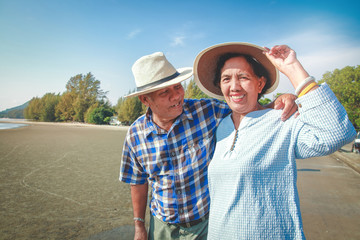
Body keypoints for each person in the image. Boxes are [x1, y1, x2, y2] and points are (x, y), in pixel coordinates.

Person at [119, 51, 298, 240]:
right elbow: (137, 182)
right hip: (161, 227)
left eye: (178, 87)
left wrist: (279, 102)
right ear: (145, 99)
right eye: (165, 92)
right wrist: (139, 226)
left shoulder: (207, 111)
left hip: (206, 225)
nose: (177, 96)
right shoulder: (135, 135)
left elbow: (246, 107)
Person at [193, 42, 357, 239]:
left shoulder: (282, 121)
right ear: (220, 85)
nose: (234, 86)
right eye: (226, 78)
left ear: (260, 84)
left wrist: (292, 69)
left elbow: (337, 133)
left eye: (243, 77)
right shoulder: (220, 127)